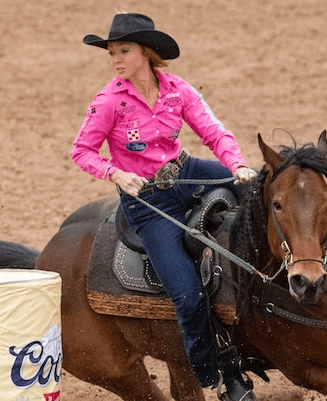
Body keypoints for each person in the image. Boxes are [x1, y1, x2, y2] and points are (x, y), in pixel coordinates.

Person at [71, 12, 259, 401]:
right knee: (187, 296)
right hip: (147, 201)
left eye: (124, 50)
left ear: (147, 53)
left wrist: (237, 165)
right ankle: (216, 374)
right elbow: (82, 151)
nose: (116, 59)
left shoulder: (178, 89)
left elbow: (213, 131)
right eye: (111, 53)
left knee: (259, 191)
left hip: (186, 173)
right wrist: (115, 174)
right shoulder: (109, 101)